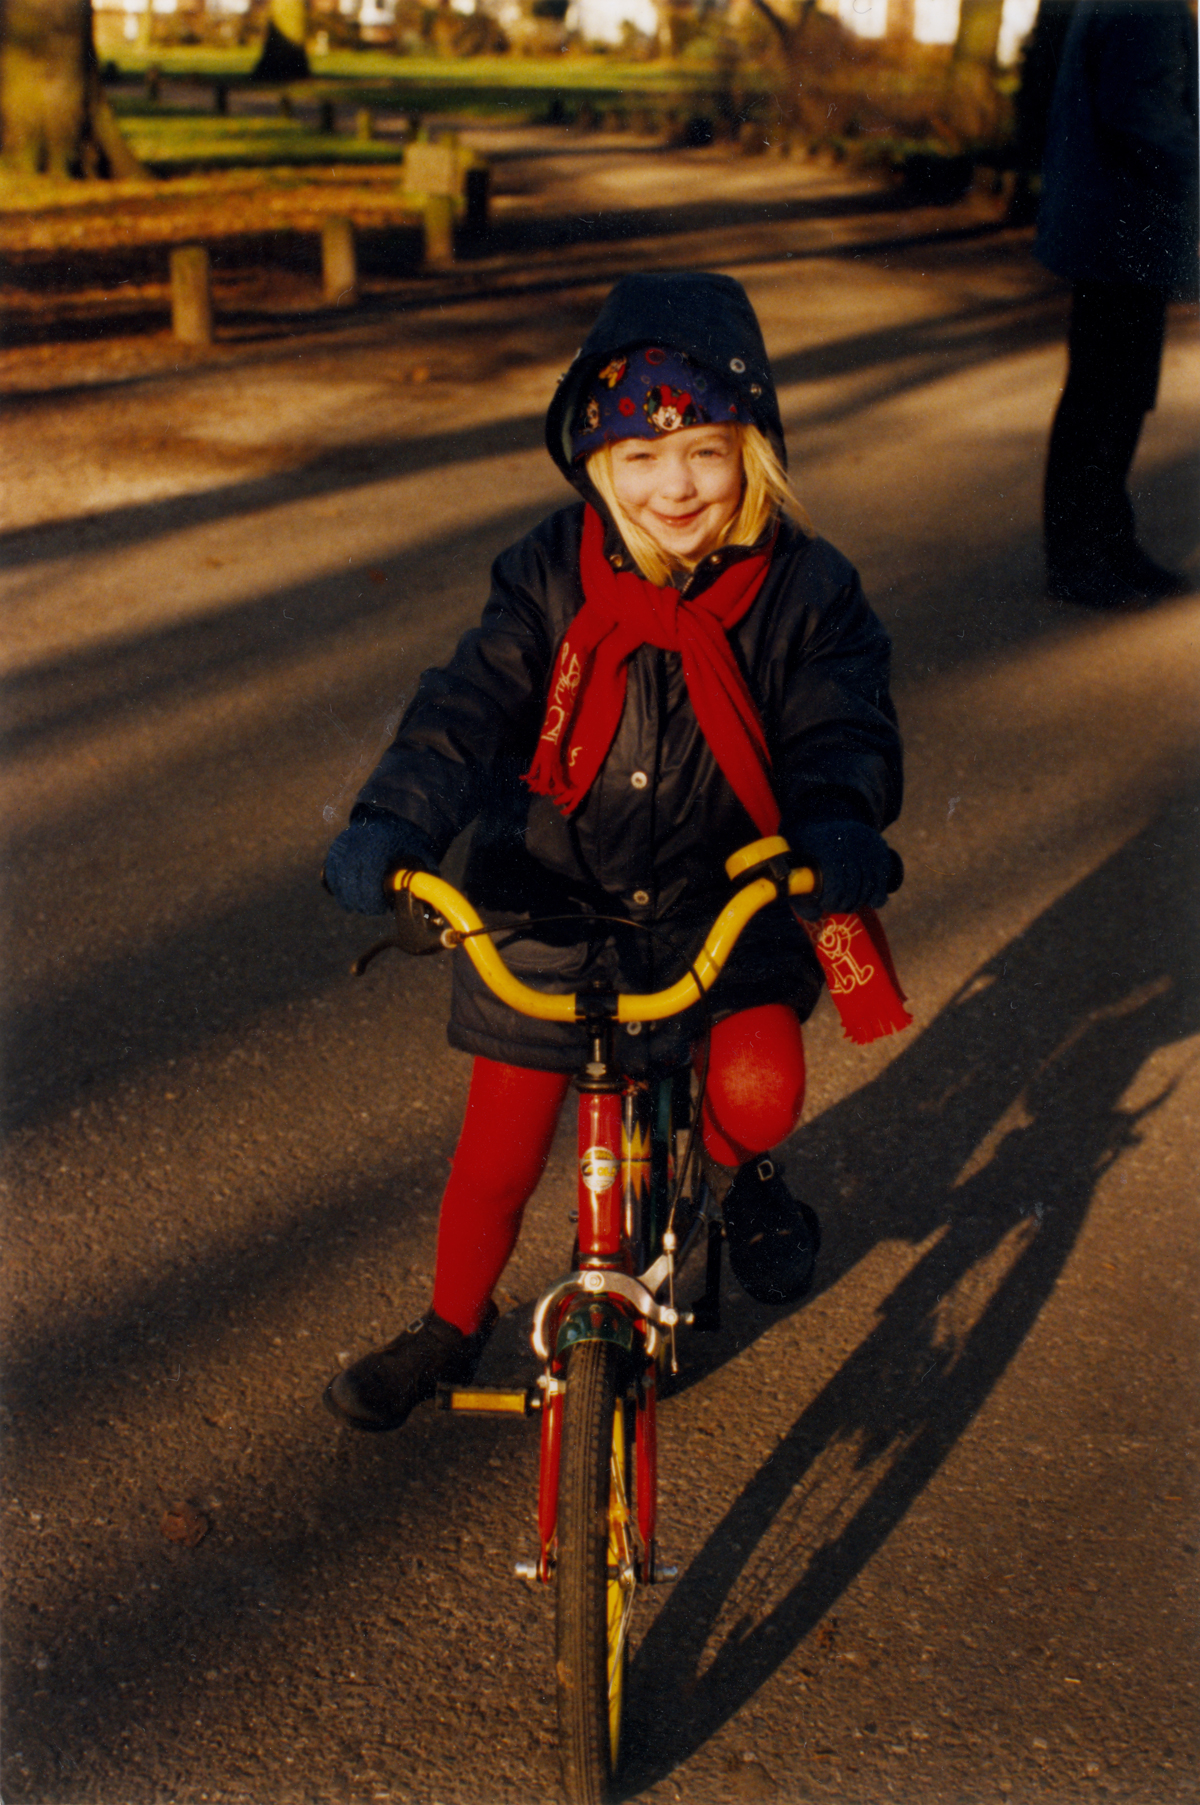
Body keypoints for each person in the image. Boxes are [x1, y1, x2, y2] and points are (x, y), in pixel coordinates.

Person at [320, 271, 903, 1433]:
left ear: (754, 451)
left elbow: (840, 722)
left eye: (706, 453)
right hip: (552, 896)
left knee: (758, 1087)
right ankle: (449, 1320)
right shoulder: (550, 570)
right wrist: (397, 818)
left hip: (723, 899)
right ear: (594, 461)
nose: (673, 486)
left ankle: (737, 1174)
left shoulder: (807, 588)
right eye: (639, 456)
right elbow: (470, 701)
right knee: (499, 1145)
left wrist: (836, 818)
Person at [1035, 0, 1198, 608]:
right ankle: (1082, 558)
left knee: (1106, 394)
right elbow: (1141, 115)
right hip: (1123, 232)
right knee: (1108, 397)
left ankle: (1103, 544)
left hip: (1110, 228)